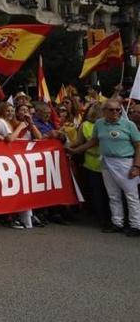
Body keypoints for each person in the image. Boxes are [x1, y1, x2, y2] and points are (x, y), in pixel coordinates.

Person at [69, 99, 140, 236]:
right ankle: (117, 222)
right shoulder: (99, 124)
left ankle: (136, 225)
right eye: (111, 110)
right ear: (104, 111)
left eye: (118, 110)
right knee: (113, 195)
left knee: (131, 196)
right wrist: (76, 150)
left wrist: (137, 166)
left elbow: (138, 145)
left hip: (125, 162)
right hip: (107, 162)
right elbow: (94, 141)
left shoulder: (128, 125)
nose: (115, 112)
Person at [71, 103, 110, 228]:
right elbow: (78, 142)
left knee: (98, 191)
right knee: (102, 192)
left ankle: (101, 217)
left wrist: (69, 147)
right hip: (99, 163)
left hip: (97, 162)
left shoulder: (87, 125)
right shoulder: (100, 125)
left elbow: (79, 142)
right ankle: (104, 217)